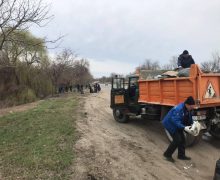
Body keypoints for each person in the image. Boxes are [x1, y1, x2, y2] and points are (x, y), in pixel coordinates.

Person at [162, 96, 195, 162]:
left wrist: (192, 124)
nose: (192, 108)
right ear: (187, 104)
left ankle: (181, 155)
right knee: (177, 140)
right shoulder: (179, 109)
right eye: (191, 106)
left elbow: (189, 117)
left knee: (182, 139)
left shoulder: (188, 109)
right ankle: (167, 155)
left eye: (192, 106)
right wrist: (184, 127)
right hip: (170, 124)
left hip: (178, 125)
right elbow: (175, 121)